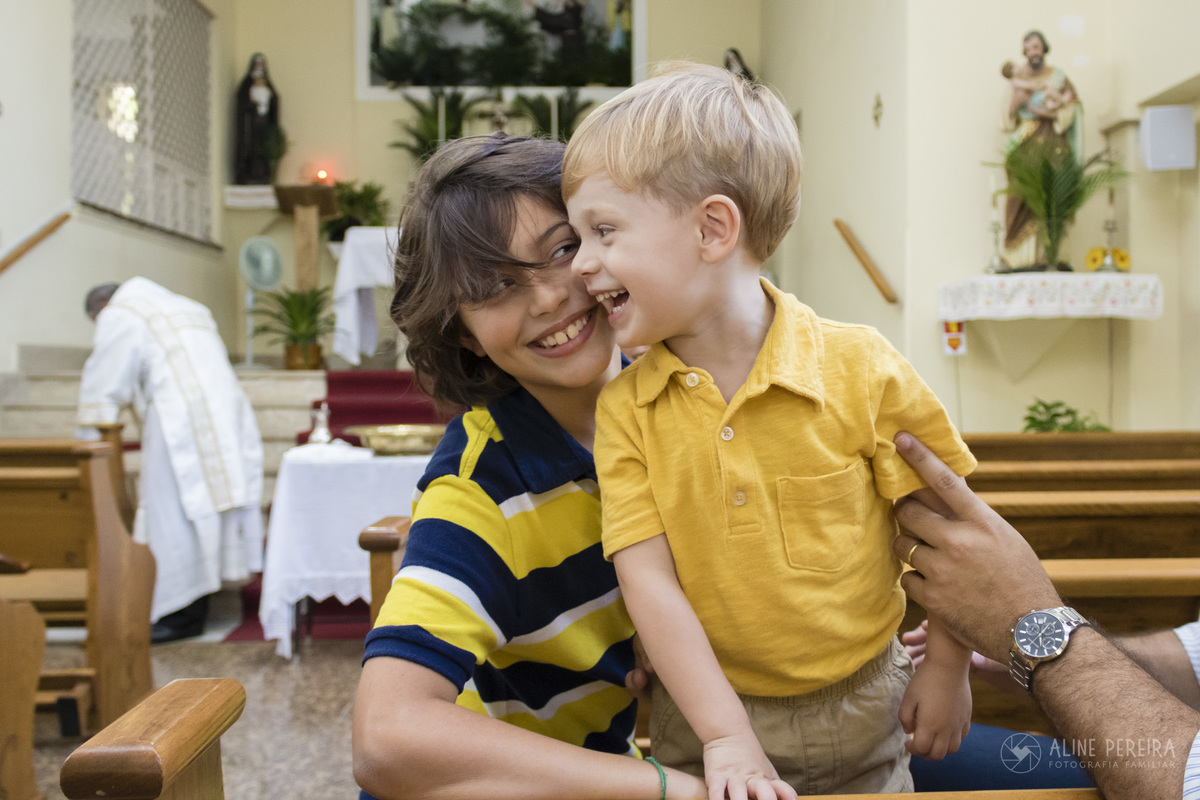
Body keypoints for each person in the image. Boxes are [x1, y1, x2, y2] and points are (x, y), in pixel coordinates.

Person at [560, 61, 978, 798]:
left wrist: (946, 666)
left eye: (603, 232)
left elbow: (953, 528)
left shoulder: (861, 369)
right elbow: (648, 579)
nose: (582, 266)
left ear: (713, 228)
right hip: (709, 715)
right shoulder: (626, 408)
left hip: (868, 707)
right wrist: (725, 736)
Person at [352, 133, 708, 800]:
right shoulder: (483, 485)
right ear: (464, 334)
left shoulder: (675, 387)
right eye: (494, 287)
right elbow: (386, 737)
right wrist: (668, 789)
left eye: (564, 248)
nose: (548, 298)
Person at [890, 431, 1200, 800]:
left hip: (1168, 768)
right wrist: (1017, 653)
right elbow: (1194, 657)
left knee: (904, 755)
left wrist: (1039, 636)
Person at [77, 279, 264, 643]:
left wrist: (86, 446)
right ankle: (197, 604)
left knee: (174, 514)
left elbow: (103, 384)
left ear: (100, 309)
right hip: (224, 411)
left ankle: (181, 614)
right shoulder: (189, 306)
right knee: (204, 510)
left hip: (179, 421)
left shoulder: (120, 313)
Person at [1001, 30, 1082, 254]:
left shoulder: (1058, 77)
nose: (1031, 53)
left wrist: (1054, 113)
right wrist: (1016, 104)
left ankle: (1051, 253)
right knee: (1020, 189)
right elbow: (1006, 117)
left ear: (1044, 48)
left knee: (1053, 192)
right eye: (1027, 50)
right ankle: (1020, 254)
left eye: (1035, 47)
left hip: (1054, 140)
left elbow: (1073, 105)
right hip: (1025, 141)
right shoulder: (1019, 80)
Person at [234, 53, 280, 185]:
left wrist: (269, 103)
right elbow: (242, 100)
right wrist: (252, 104)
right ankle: (248, 172)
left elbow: (275, 100)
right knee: (251, 148)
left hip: (264, 121)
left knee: (264, 149)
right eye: (257, 63)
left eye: (261, 63)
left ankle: (262, 174)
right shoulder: (248, 83)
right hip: (251, 122)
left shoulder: (268, 84)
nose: (259, 66)